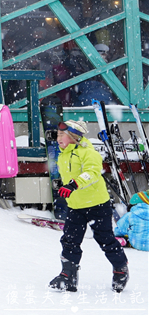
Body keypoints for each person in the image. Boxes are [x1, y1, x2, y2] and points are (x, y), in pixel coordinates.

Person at [48, 119, 128, 293]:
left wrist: (74, 184)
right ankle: (68, 276)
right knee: (70, 240)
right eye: (58, 134)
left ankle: (120, 269)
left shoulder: (88, 153)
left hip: (97, 205)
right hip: (75, 206)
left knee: (105, 239)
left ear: (74, 137)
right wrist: (64, 185)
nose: (58, 138)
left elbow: (91, 173)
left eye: (63, 135)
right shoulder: (63, 154)